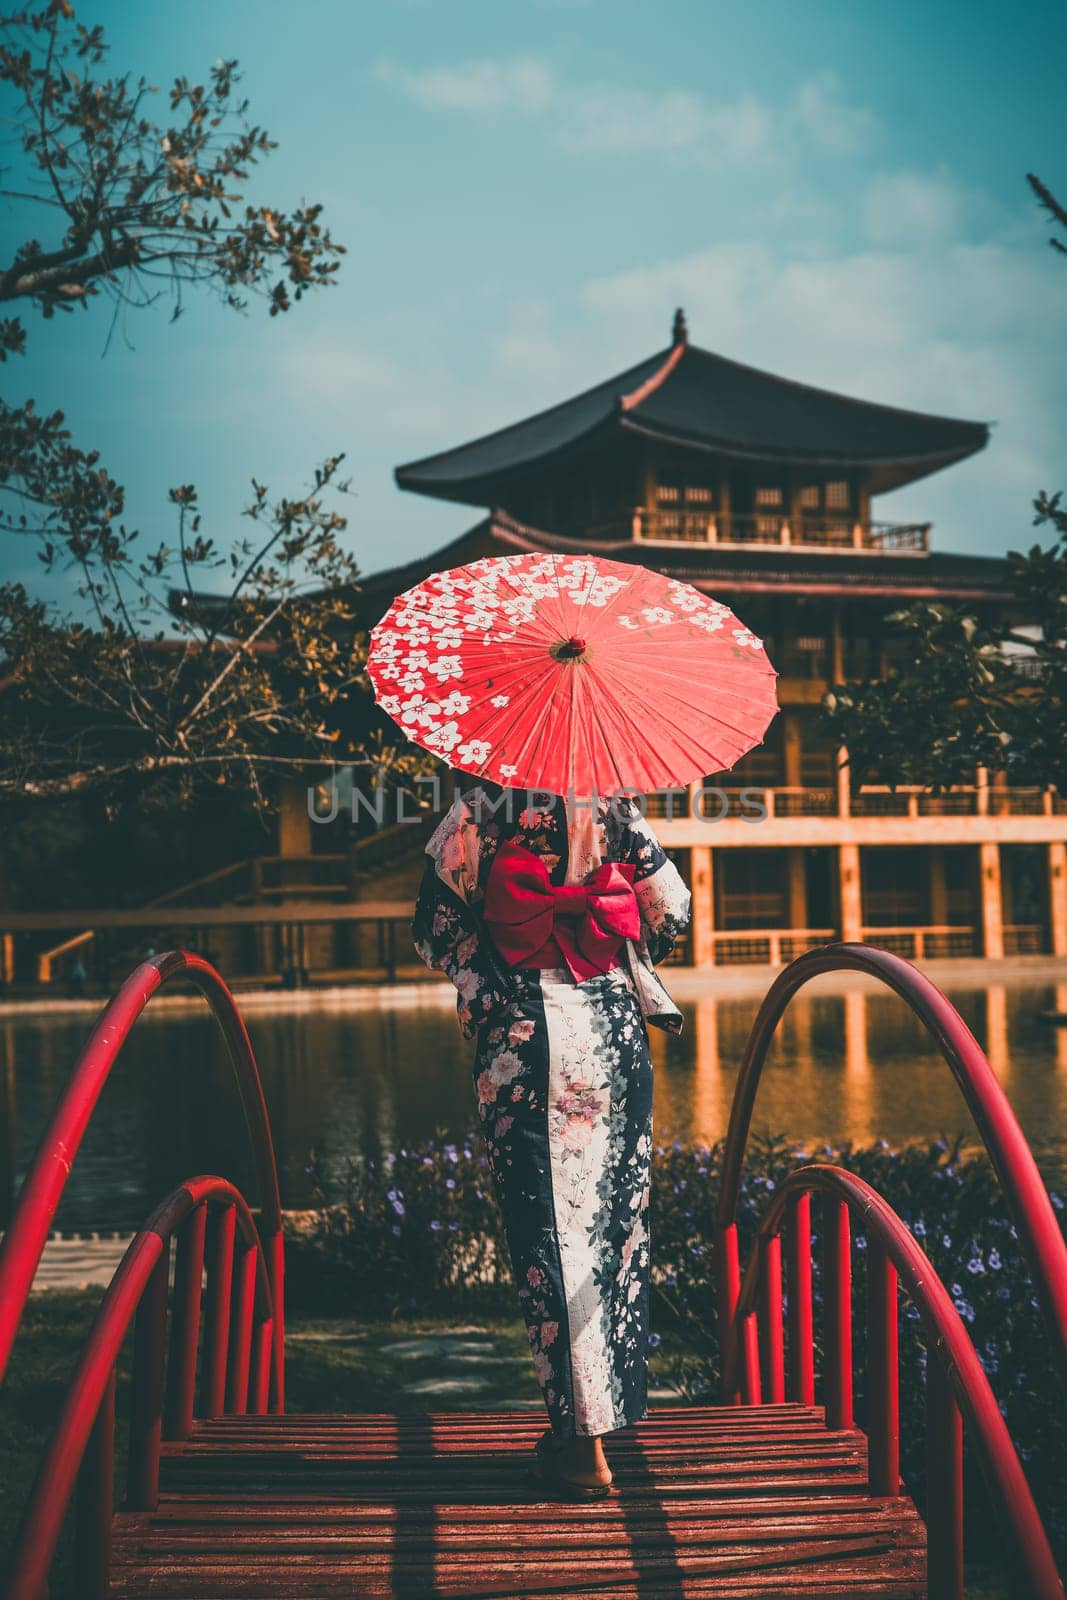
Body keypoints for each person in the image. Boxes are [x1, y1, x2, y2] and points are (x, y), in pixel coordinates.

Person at [411, 782, 692, 1498]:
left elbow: (434, 928)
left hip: (523, 1032)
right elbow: (671, 913)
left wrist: (491, 983)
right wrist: (602, 920)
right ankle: (592, 1428)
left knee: (546, 1234)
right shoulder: (616, 807)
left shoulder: (479, 809)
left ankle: (577, 1442)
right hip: (611, 1030)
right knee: (608, 1229)